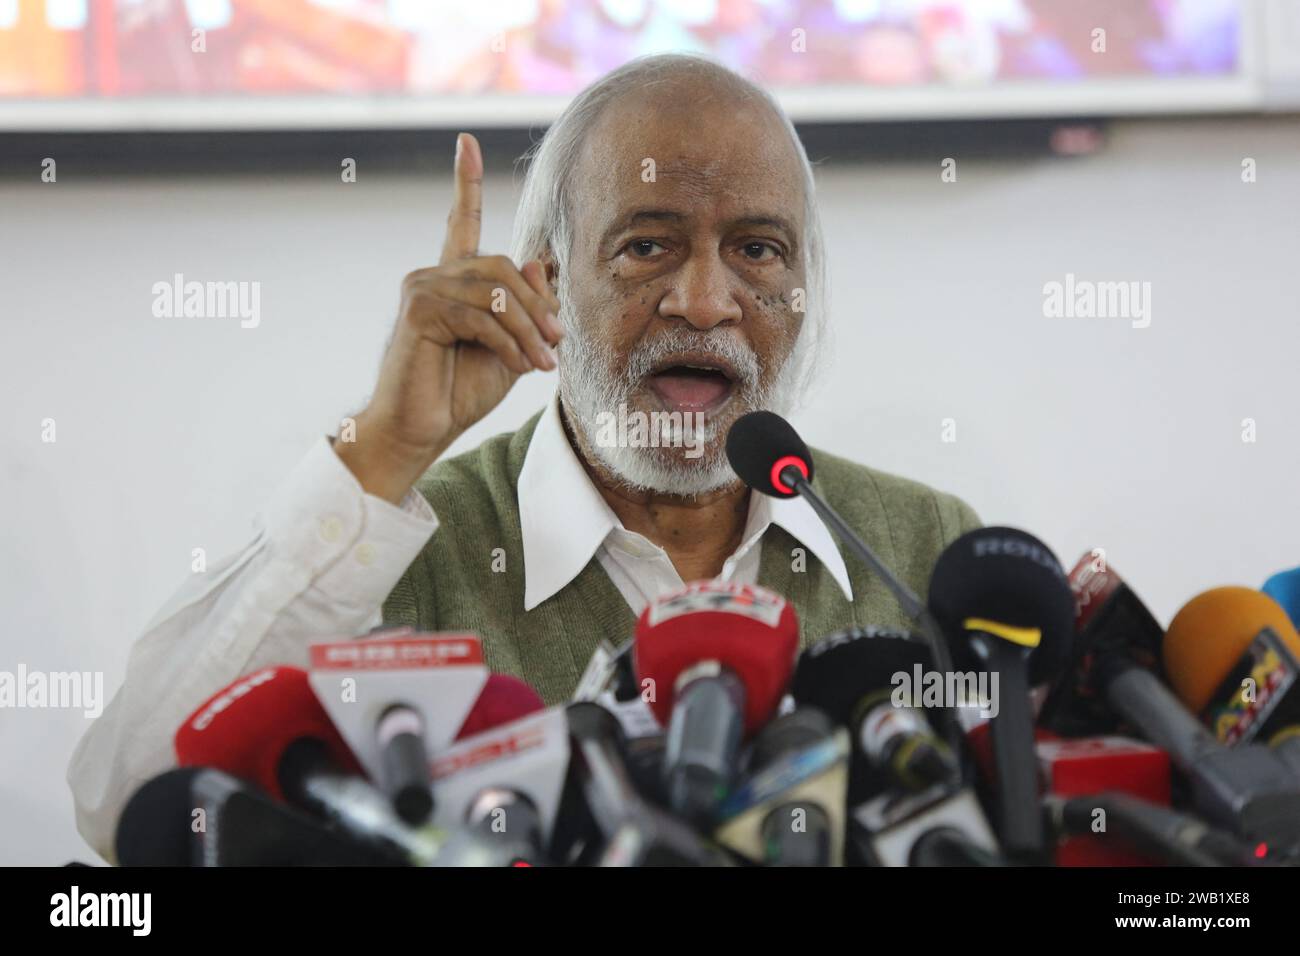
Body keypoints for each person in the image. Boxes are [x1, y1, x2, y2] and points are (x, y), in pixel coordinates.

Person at [68, 53, 979, 861]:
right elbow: (132, 809)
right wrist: (383, 450)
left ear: (802, 289)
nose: (705, 302)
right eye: (648, 245)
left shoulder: (922, 546)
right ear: (545, 280)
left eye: (757, 250)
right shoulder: (403, 552)